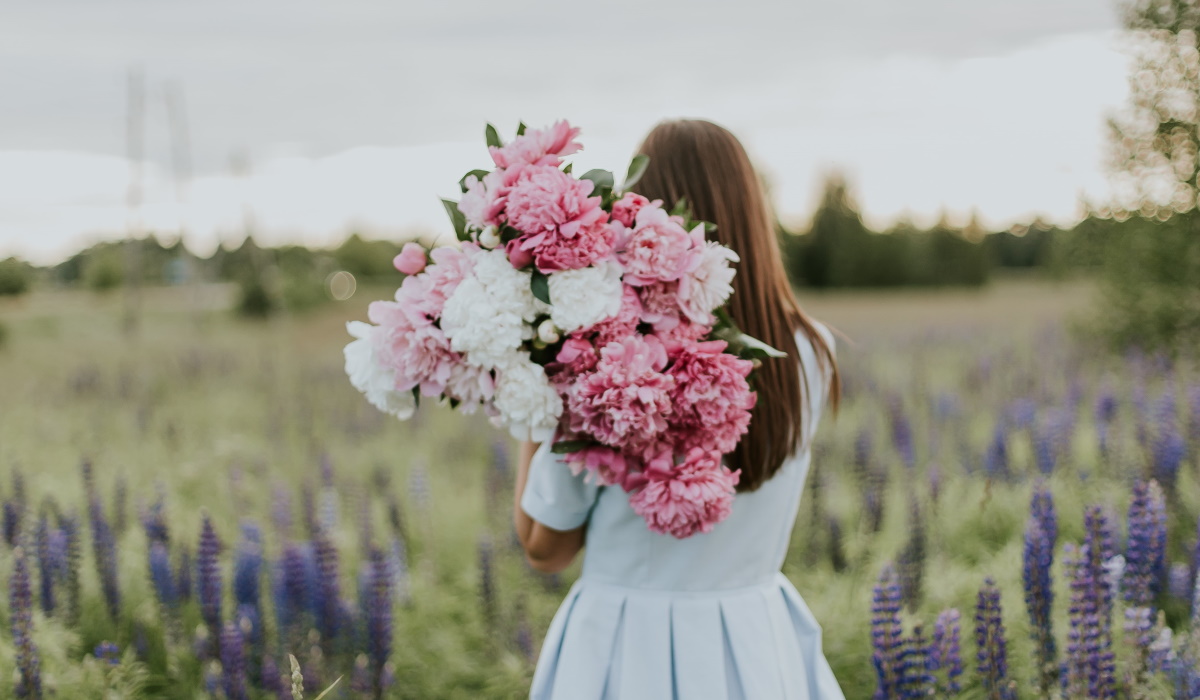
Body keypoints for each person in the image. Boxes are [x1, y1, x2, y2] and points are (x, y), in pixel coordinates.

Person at [513, 118, 843, 700]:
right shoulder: (812, 350)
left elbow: (546, 547)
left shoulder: (608, 358)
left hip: (622, 649)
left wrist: (531, 389)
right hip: (756, 642)